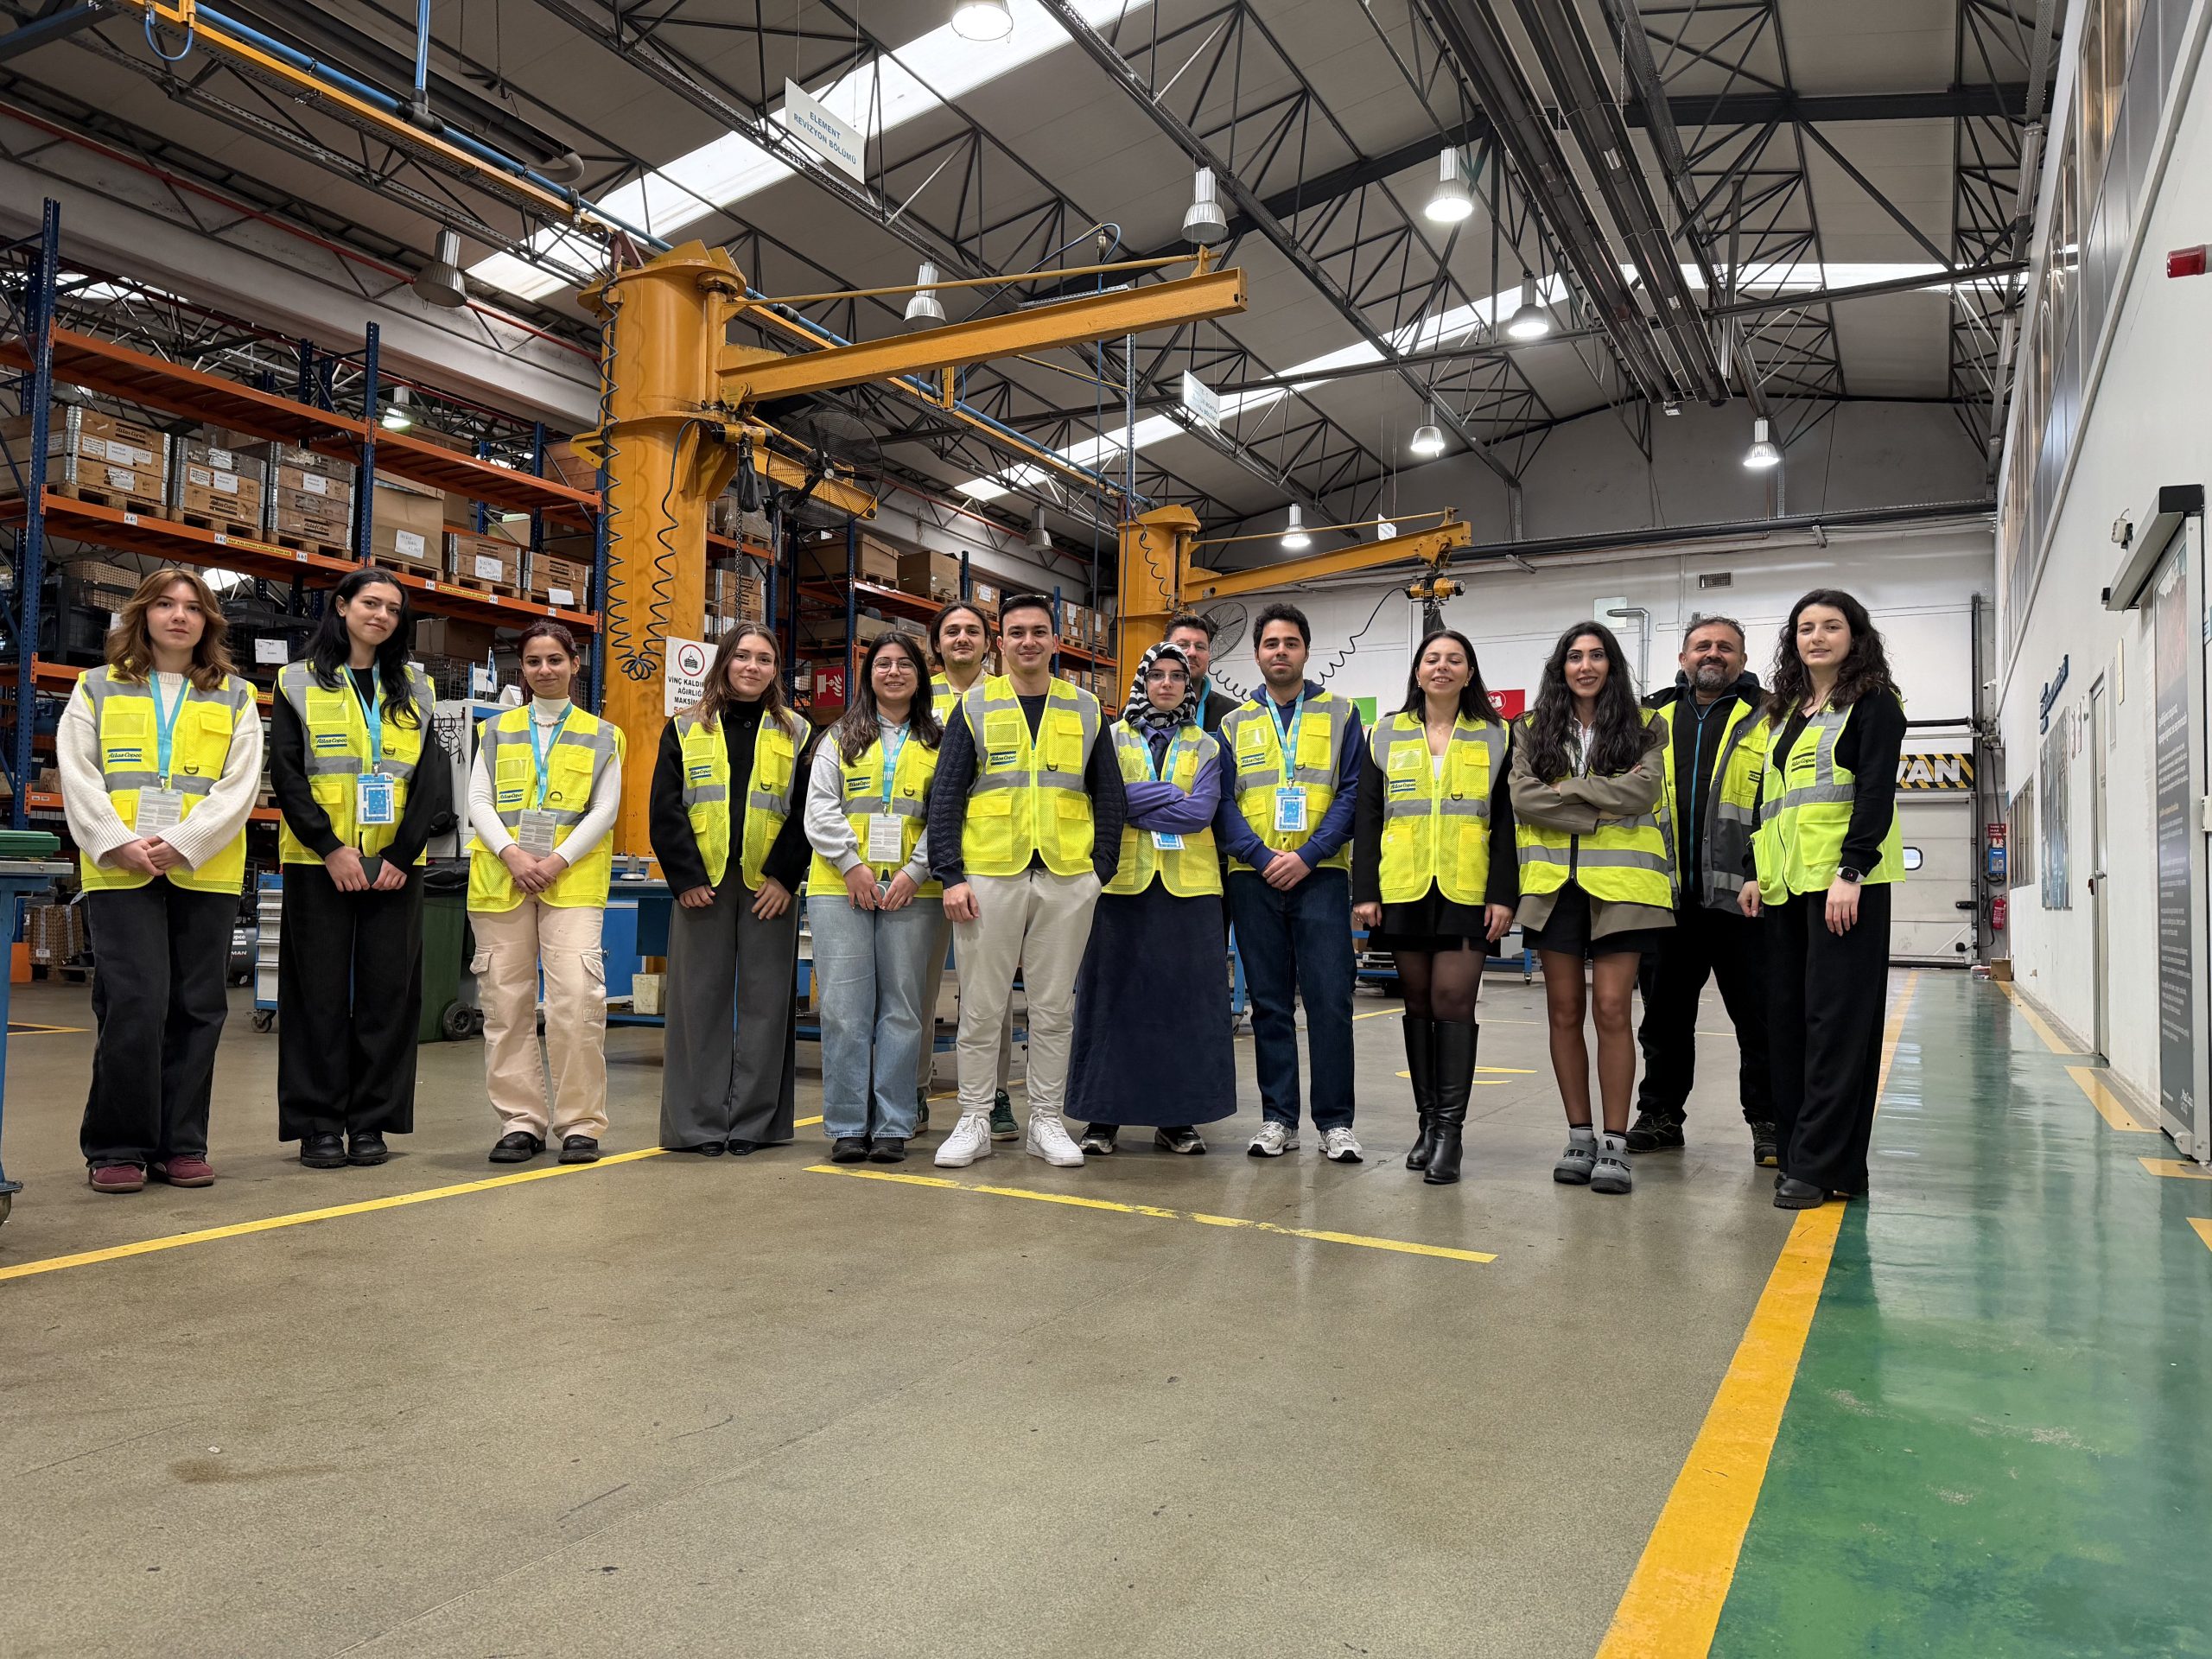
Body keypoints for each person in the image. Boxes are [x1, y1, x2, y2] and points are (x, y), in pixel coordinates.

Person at [60, 568, 261, 1193]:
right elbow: (78, 773)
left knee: (198, 1007)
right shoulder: (96, 687)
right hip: (120, 869)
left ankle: (182, 1144)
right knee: (135, 1002)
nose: (179, 616)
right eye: (166, 604)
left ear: (208, 622)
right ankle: (117, 1146)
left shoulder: (236, 696)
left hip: (203, 871)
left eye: (193, 607)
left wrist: (184, 843)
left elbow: (240, 786)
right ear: (142, 614)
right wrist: (116, 842)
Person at [926, 592, 1126, 1168]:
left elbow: (1109, 794)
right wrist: (951, 874)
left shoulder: (1085, 707)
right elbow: (947, 794)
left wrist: (1099, 872)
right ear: (1001, 643)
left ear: (1055, 640)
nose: (1029, 642)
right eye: (1017, 633)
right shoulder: (975, 705)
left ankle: (1045, 1120)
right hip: (989, 874)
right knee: (982, 1008)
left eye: (1039, 631)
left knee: (1053, 1009)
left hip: (1067, 877)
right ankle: (974, 1118)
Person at [270, 569, 450, 1169]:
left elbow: (430, 779)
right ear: (342, 606)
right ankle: (318, 1125)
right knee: (315, 994)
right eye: (371, 603)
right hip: (318, 862)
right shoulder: (296, 681)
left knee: (388, 995)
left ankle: (372, 1121)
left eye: (393, 609)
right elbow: (287, 774)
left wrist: (402, 853)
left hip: (396, 865)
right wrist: (329, 847)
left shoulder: (417, 687)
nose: (381, 616)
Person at [1741, 589, 1907, 1211]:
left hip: (1844, 888)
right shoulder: (1786, 713)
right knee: (1788, 1022)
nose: (1817, 637)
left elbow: (1873, 793)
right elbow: (1774, 802)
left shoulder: (1873, 703)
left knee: (1836, 1026)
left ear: (1855, 636)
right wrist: (1755, 872)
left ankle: (1822, 1164)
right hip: (1786, 888)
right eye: (1805, 627)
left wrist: (1852, 870)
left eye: (1831, 626)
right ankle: (1798, 1151)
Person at [1510, 620, 1672, 1196]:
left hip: (1623, 888)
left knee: (1611, 1010)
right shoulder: (1530, 727)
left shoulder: (1646, 725)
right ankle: (1578, 1136)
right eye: (1575, 656)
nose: (1585, 666)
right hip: (1554, 887)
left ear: (1612, 665)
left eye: (1597, 656)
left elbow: (1643, 792)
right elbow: (1522, 797)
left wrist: (1567, 791)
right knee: (1563, 1012)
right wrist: (1600, 803)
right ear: (1561, 667)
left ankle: (1615, 1144)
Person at [1351, 629, 1516, 1186]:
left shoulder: (1496, 734)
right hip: (1404, 886)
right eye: (1432, 659)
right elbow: (1369, 815)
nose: (1442, 667)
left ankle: (1450, 1133)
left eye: (1454, 660)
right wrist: (1365, 890)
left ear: (1469, 673)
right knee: (1418, 1003)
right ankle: (1427, 1125)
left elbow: (1507, 822)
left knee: (1453, 1000)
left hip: (1468, 889)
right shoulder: (1385, 732)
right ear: (1418, 671)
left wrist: (1502, 894)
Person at [649, 623, 811, 1157]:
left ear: (775, 670)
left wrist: (785, 876)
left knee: (768, 1005)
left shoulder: (798, 731)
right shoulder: (684, 727)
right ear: (724, 661)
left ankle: (755, 1124)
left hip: (769, 888)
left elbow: (808, 809)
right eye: (742, 656)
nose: (752, 667)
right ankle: (697, 1125)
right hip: (704, 887)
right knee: (697, 1004)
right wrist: (686, 877)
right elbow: (665, 806)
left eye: (764, 659)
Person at [468, 622, 624, 1166]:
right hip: (501, 880)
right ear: (523, 669)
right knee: (504, 1005)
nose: (544, 670)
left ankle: (580, 1124)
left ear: (575, 664)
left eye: (555, 659)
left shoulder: (603, 734)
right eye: (533, 661)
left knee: (577, 1002)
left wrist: (557, 860)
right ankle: (520, 1122)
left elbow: (605, 810)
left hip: (571, 881)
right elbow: (479, 801)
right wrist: (512, 854)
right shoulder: (495, 730)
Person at [1069, 643, 1235, 1154]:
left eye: (1176, 676)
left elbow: (1200, 814)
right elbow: (1102, 802)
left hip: (1190, 893)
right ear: (1141, 682)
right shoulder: (1110, 737)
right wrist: (1167, 794)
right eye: (1156, 675)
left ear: (1189, 685)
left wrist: (1134, 802)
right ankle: (1102, 1119)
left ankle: (1178, 1119)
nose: (1166, 684)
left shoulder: (1207, 745)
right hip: (1120, 887)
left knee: (1185, 1004)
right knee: (1110, 1001)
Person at [1214, 603, 1365, 1162]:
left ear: (1306, 650)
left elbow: (1352, 793)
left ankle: (1335, 1122)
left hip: (1320, 875)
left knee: (1330, 1001)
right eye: (1271, 643)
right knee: (1270, 1004)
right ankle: (1279, 1119)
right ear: (1257, 654)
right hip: (1253, 879)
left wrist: (1308, 855)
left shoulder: (1342, 714)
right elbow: (1222, 802)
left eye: (1290, 642)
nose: (1281, 651)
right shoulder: (1233, 724)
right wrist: (1259, 856)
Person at [1630, 616, 1776, 1164]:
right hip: (1667, 901)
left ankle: (1768, 1122)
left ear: (1742, 659)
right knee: (1663, 1020)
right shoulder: (1650, 718)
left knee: (1759, 1020)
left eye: (1725, 647)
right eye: (1702, 646)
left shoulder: (1770, 714)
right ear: (1683, 658)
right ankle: (1661, 1115)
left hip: (1745, 901)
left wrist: (1760, 872)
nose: (1713, 654)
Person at [805, 632, 942, 1165]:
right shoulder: (838, 737)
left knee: (903, 1011)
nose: (893, 672)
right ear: (868, 676)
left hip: (914, 891)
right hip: (840, 889)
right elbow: (820, 807)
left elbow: (946, 814)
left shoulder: (940, 740)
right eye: (883, 664)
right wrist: (852, 866)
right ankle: (846, 1125)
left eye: (904, 663)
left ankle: (893, 1124)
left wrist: (915, 871)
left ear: (919, 675)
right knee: (844, 1011)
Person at [918, 600, 1015, 1141]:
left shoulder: (1008, 695)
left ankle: (995, 1094)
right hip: (921, 859)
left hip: (984, 859)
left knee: (989, 990)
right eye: (951, 631)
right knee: (919, 986)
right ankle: (914, 1088)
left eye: (972, 631)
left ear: (988, 643)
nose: (961, 639)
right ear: (936, 643)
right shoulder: (916, 695)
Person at [1163, 611, 1242, 734]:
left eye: (1200, 647)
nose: (1192, 652)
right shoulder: (1141, 712)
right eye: (1182, 645)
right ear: (1164, 652)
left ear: (1209, 655)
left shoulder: (1233, 713)